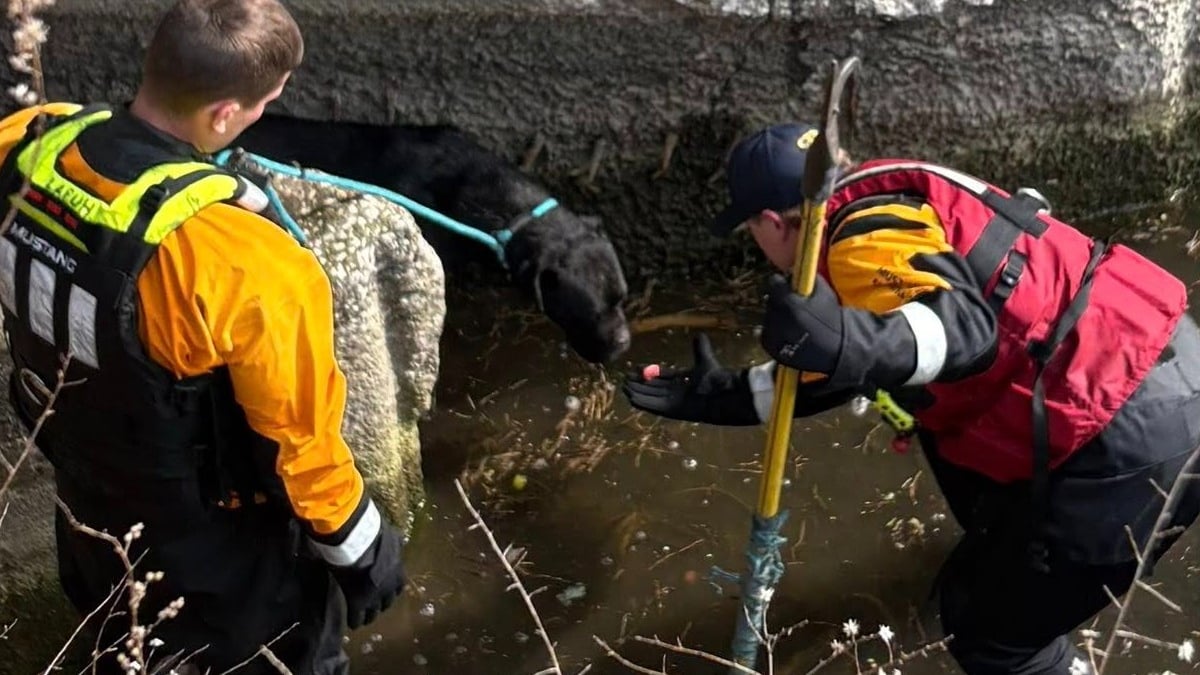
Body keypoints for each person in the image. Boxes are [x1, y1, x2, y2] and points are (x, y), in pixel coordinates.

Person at [623, 123, 1200, 674]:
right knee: (975, 530)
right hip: (1166, 361)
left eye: (751, 230)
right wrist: (725, 395)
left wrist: (846, 338)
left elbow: (962, 333)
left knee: (988, 638)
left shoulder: (859, 240)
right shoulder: (891, 195)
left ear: (772, 222)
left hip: (1129, 440)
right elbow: (860, 359)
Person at [0, 1, 406, 672]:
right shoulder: (251, 263)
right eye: (264, 104)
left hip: (89, 518)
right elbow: (300, 447)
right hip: (221, 565)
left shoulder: (28, 139)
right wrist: (364, 552)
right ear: (224, 115)